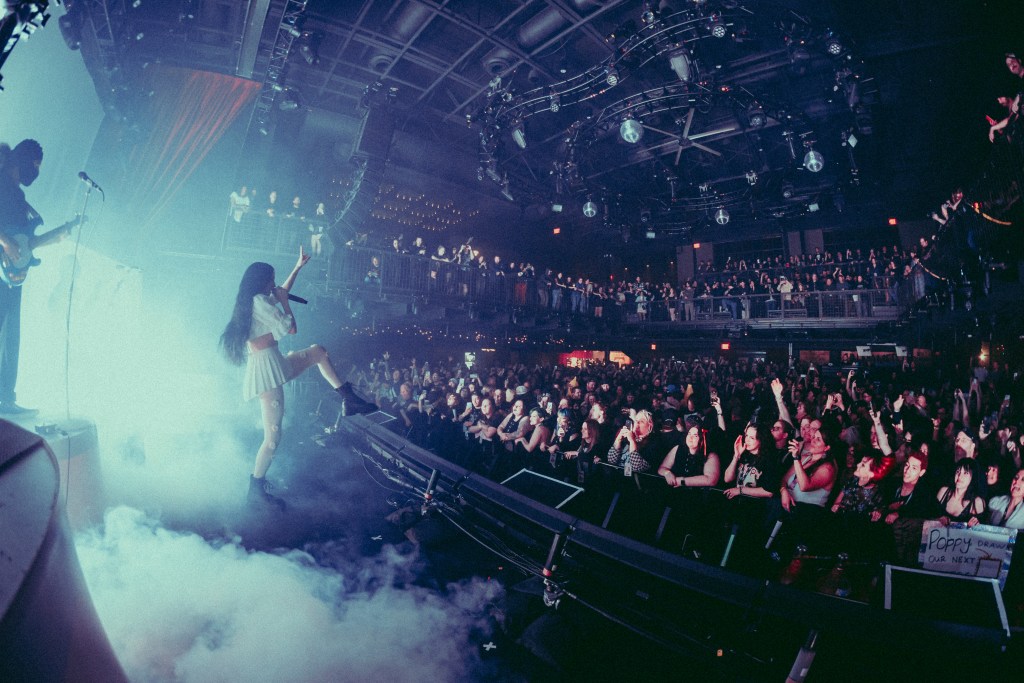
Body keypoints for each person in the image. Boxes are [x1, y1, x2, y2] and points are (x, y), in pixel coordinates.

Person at [219, 247, 353, 508]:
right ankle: (255, 489)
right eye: (271, 278)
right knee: (272, 438)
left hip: (274, 362)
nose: (274, 283)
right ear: (262, 281)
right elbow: (290, 329)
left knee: (318, 352)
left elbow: (279, 290)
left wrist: (297, 268)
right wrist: (285, 301)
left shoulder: (258, 299)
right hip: (267, 371)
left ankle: (348, 397)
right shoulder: (259, 302)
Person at [0, 139, 49, 415]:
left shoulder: (18, 197)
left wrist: (50, 239)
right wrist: (5, 242)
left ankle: (5, 399)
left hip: (11, 274)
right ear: (22, 160)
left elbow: (23, 239)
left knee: (10, 336)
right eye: (35, 165)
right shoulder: (1, 185)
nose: (36, 172)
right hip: (2, 267)